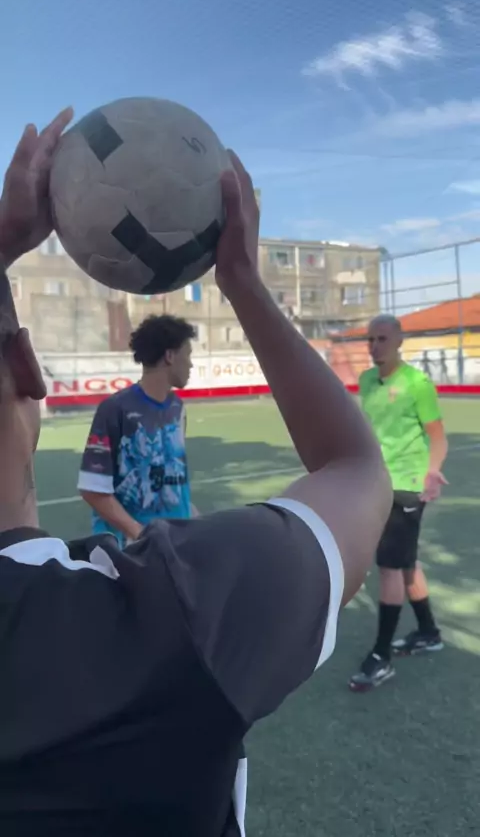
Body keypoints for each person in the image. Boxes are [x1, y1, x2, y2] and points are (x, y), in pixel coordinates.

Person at [0, 108, 391, 837]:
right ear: (28, 367)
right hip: (149, 565)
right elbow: (356, 468)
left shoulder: (174, 418)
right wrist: (241, 280)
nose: (187, 361)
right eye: (182, 352)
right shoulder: (167, 617)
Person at [349, 314, 448, 693]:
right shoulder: (367, 381)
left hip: (407, 486)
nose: (375, 346)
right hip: (378, 483)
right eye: (371, 339)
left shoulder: (417, 384)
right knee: (405, 564)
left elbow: (437, 437)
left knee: (389, 566)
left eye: (382, 339)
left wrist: (432, 471)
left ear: (399, 341)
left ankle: (381, 656)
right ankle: (428, 631)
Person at [78, 314, 197, 547]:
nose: (191, 364)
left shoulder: (177, 407)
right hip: (132, 549)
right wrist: (139, 534)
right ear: (170, 356)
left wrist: (191, 518)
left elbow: (174, 477)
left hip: (174, 542)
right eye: (188, 355)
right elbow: (93, 490)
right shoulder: (115, 409)